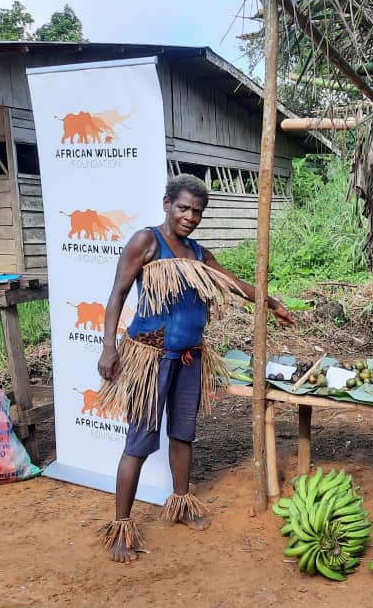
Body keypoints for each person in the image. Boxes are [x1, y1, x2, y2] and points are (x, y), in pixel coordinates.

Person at [96, 173, 295, 563]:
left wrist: (272, 303)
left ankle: (182, 504)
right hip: (148, 359)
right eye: (184, 208)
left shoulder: (199, 254)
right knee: (138, 443)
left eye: (197, 211)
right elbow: (118, 293)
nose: (190, 216)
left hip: (190, 359)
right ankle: (121, 527)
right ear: (167, 203)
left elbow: (235, 284)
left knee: (183, 435)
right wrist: (107, 348)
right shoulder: (146, 241)